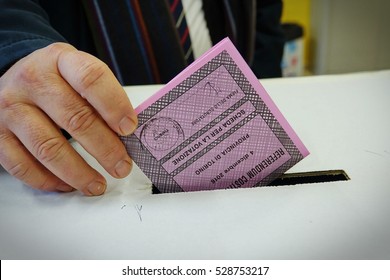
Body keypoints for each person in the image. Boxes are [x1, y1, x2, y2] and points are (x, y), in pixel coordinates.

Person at [0, 0, 284, 196]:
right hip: (107, 163)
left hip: (243, 134)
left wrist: (271, 83)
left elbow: (265, 18)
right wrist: (15, 54)